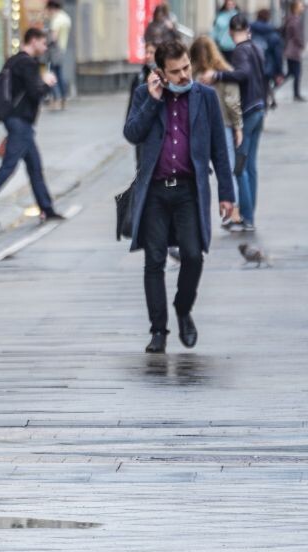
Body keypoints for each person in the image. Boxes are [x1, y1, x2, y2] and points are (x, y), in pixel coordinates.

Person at [124, 40, 235, 354]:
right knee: (154, 260)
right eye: (176, 71)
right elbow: (131, 133)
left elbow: (219, 151)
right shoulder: (144, 95)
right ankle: (158, 330)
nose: (185, 75)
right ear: (161, 72)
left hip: (189, 189)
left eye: (187, 67)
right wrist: (153, 101)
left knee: (192, 254)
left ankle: (183, 307)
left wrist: (227, 194)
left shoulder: (206, 97)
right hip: (156, 191)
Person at [0, 28, 63, 226]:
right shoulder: (28, 63)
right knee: (9, 165)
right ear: (32, 40)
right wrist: (47, 83)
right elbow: (35, 93)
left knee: (34, 166)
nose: (44, 48)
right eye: (42, 43)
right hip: (20, 121)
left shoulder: (13, 60)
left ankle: (47, 208)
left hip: (14, 119)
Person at [200, 13, 267, 232]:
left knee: (240, 167)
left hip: (247, 113)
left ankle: (246, 217)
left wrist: (218, 76)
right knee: (251, 166)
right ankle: (250, 214)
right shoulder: (255, 47)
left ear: (229, 32)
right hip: (259, 109)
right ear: (247, 28)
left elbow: (243, 73)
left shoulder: (239, 51)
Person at [190, 36, 243, 228]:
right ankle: (234, 213)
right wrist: (238, 126)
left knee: (196, 169)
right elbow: (232, 101)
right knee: (227, 168)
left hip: (198, 127)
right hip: (224, 125)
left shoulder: (191, 75)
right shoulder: (224, 72)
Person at [251, 9, 285, 108]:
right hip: (267, 66)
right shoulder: (273, 34)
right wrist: (279, 72)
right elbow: (278, 55)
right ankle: (262, 111)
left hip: (252, 65)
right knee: (264, 89)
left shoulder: (250, 32)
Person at [46, 0, 73, 110]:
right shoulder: (66, 18)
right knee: (60, 75)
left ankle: (56, 99)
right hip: (62, 49)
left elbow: (53, 37)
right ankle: (64, 99)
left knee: (52, 75)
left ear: (52, 8)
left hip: (54, 51)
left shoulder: (56, 20)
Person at [284, 1, 305, 101]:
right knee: (295, 73)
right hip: (293, 51)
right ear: (296, 8)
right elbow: (297, 36)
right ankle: (296, 94)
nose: (303, 8)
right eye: (301, 6)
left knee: (292, 73)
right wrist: (302, 45)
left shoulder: (292, 19)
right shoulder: (295, 20)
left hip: (291, 50)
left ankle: (296, 94)